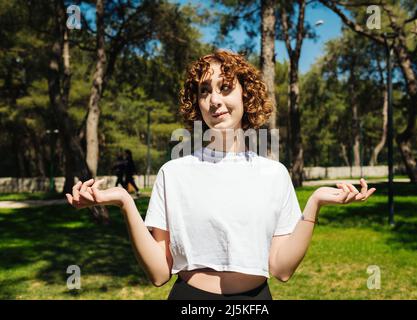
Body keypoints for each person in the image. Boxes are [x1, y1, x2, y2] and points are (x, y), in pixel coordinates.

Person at [65, 50, 376, 300]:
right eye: (204, 91)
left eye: (225, 88)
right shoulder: (173, 173)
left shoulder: (274, 175)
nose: (214, 100)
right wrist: (123, 201)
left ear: (246, 95)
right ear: (197, 103)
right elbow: (160, 273)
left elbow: (281, 269)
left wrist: (315, 204)